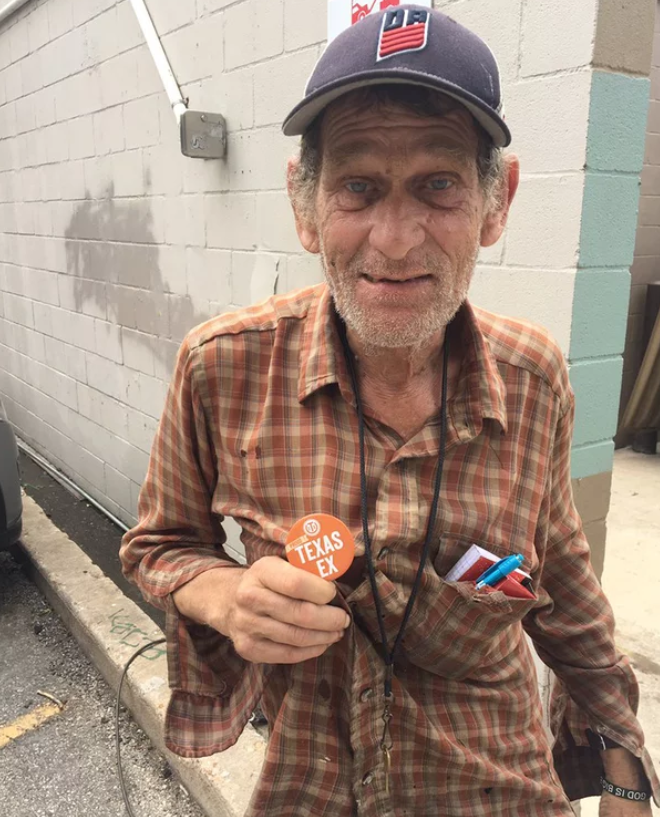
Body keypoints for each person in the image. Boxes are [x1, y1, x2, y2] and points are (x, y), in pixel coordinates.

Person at [120, 6, 659, 815]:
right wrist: (225, 597)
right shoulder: (220, 368)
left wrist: (622, 764)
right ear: (305, 205)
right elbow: (160, 544)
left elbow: (563, 586)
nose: (397, 239)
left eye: (438, 185)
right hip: (312, 787)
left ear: (496, 202)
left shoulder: (533, 378)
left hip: (498, 786)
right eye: (358, 187)